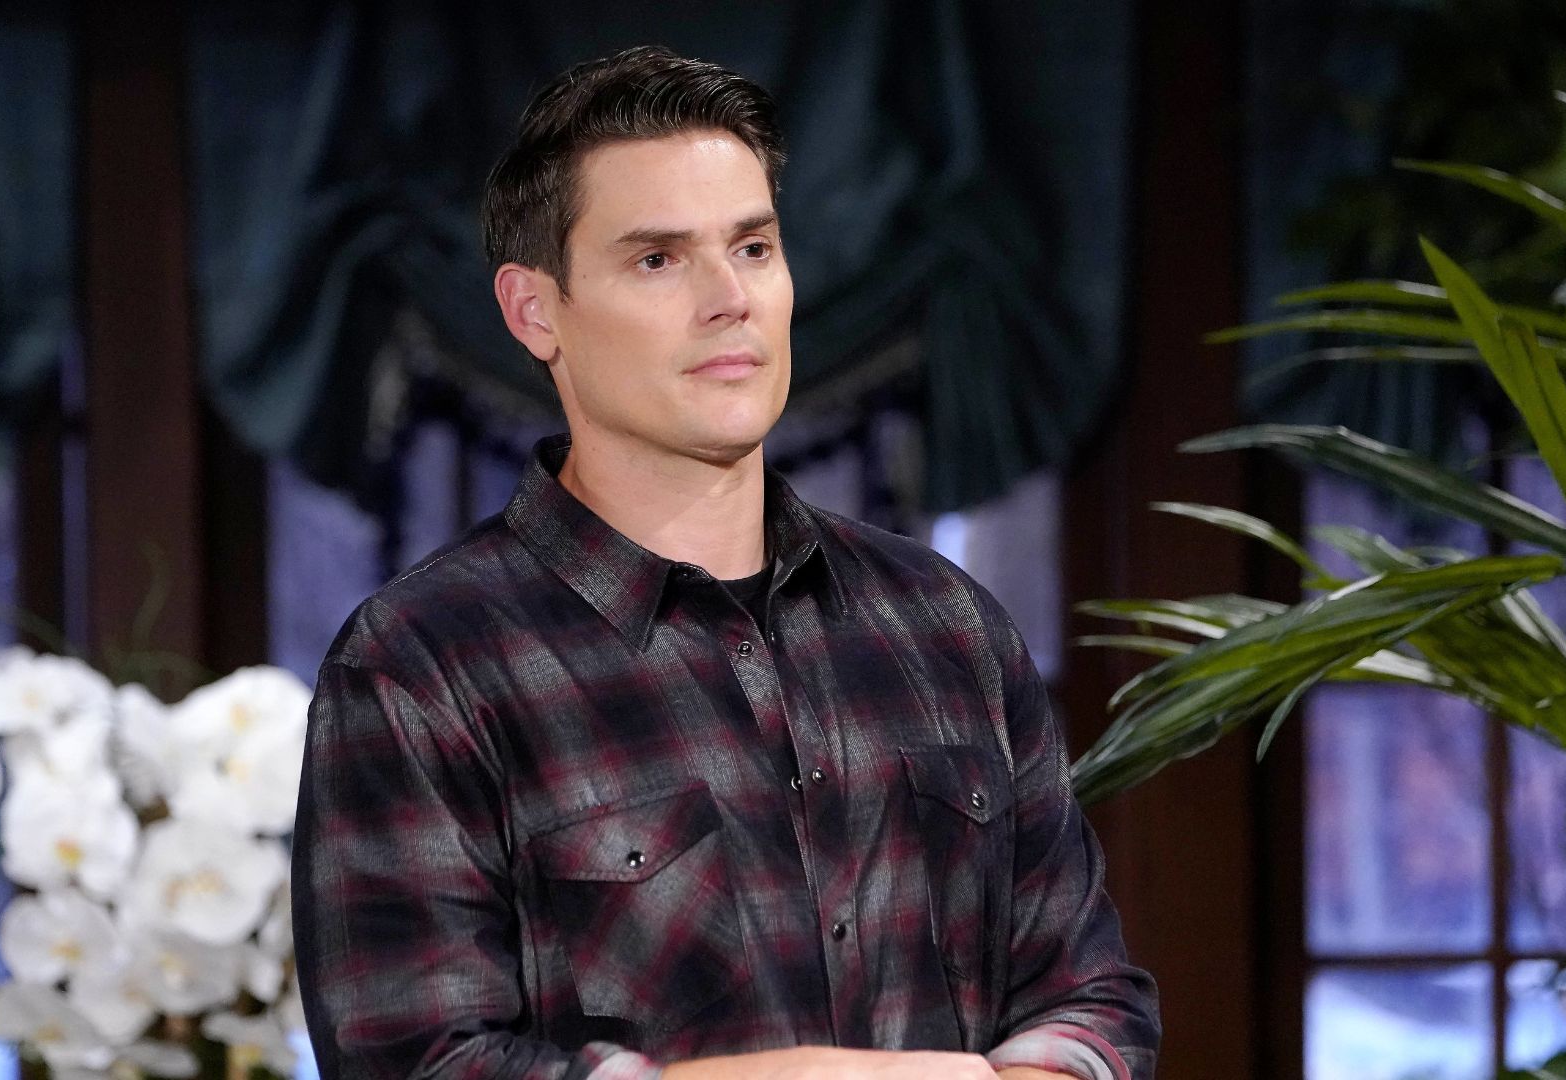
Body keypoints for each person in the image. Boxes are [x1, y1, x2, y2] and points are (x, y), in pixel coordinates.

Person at [292, 45, 1160, 1080]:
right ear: (534, 311)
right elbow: (417, 1060)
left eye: (752, 247)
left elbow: (1093, 998)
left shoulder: (947, 624)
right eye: (658, 260)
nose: (728, 298)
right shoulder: (421, 666)